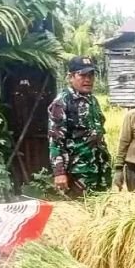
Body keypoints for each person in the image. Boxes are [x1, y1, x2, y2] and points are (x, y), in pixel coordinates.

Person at [48, 56, 112, 195]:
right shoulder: (62, 102)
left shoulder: (92, 100)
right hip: (78, 174)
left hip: (100, 170)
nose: (88, 79)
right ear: (70, 77)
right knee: (82, 212)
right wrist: (59, 172)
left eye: (91, 75)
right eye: (82, 75)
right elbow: (56, 141)